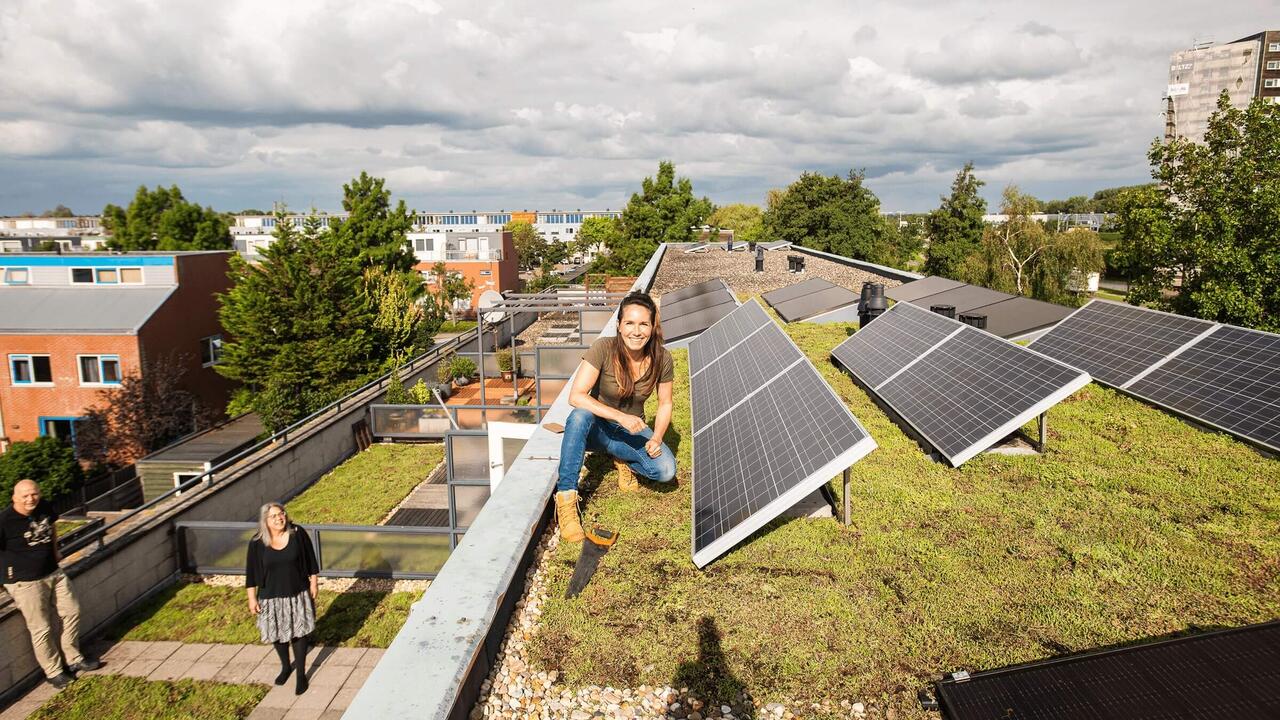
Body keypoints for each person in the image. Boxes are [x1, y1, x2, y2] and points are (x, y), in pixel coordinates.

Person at [556, 292, 677, 541]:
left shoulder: (662, 358)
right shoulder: (603, 348)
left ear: (653, 327)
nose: (636, 331)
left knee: (665, 471)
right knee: (579, 416)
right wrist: (620, 417)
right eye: (630, 323)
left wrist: (656, 438)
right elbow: (576, 396)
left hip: (630, 432)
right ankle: (566, 499)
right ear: (619, 325)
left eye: (644, 324)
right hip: (596, 429)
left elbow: (665, 403)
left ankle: (622, 458)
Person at [0, 479, 100, 689]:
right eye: (25, 496)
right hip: (24, 582)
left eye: (34, 494)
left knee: (72, 611)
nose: (31, 499)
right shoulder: (5, 520)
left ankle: (74, 658)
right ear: (14, 497)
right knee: (41, 628)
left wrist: (55, 550)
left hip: (53, 571)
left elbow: (52, 526)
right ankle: (54, 672)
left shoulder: (44, 507)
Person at [245, 502, 319, 695]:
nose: (279, 518)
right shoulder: (257, 542)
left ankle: (301, 674)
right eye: (274, 516)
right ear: (265, 521)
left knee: (299, 633)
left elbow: (311, 559)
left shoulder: (297, 533)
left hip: (298, 593)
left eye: (282, 514)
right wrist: (252, 598)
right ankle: (286, 666)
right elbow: (251, 573)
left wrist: (313, 582)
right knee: (276, 634)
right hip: (271, 597)